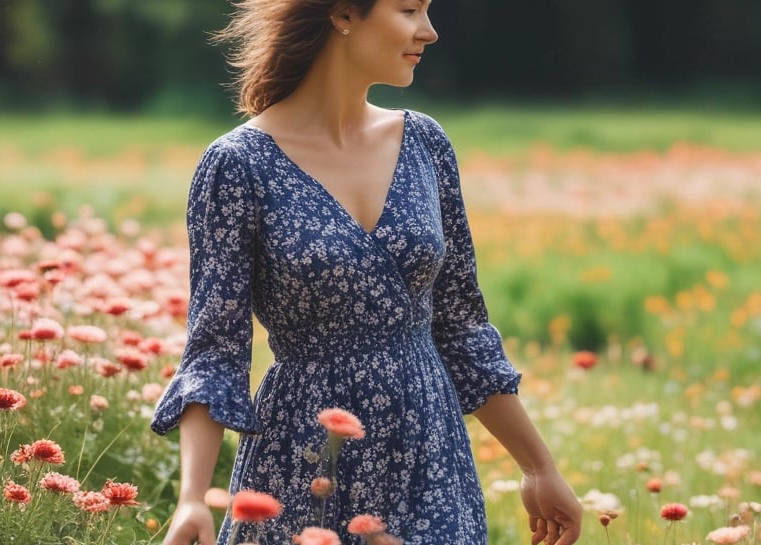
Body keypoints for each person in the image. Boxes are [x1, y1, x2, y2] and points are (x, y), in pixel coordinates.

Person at [150, 1, 583, 544]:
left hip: (429, 458)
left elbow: (462, 326)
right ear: (344, 14)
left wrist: (538, 468)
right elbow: (215, 351)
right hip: (302, 458)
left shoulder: (425, 143)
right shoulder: (237, 164)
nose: (429, 30)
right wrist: (192, 498)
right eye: (408, 9)